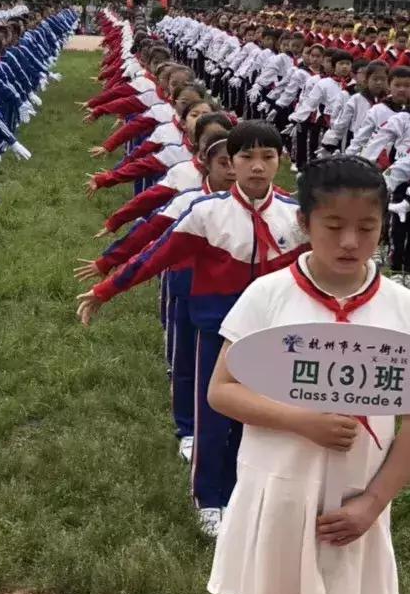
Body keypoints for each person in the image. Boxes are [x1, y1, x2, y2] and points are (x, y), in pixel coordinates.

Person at [207, 156, 410, 594]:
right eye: (334, 226)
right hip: (278, 493)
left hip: (352, 509)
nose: (351, 243)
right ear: (305, 224)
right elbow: (222, 391)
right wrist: (300, 420)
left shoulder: (401, 306)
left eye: (367, 228)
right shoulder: (269, 295)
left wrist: (375, 502)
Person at [77, 122, 307, 535]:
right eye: (246, 158)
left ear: (280, 161)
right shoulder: (207, 213)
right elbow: (156, 254)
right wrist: (105, 289)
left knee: (257, 419)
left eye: (267, 158)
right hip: (217, 330)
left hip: (274, 336)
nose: (257, 167)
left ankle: (241, 492)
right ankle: (208, 498)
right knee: (213, 413)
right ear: (231, 164)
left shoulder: (295, 217)